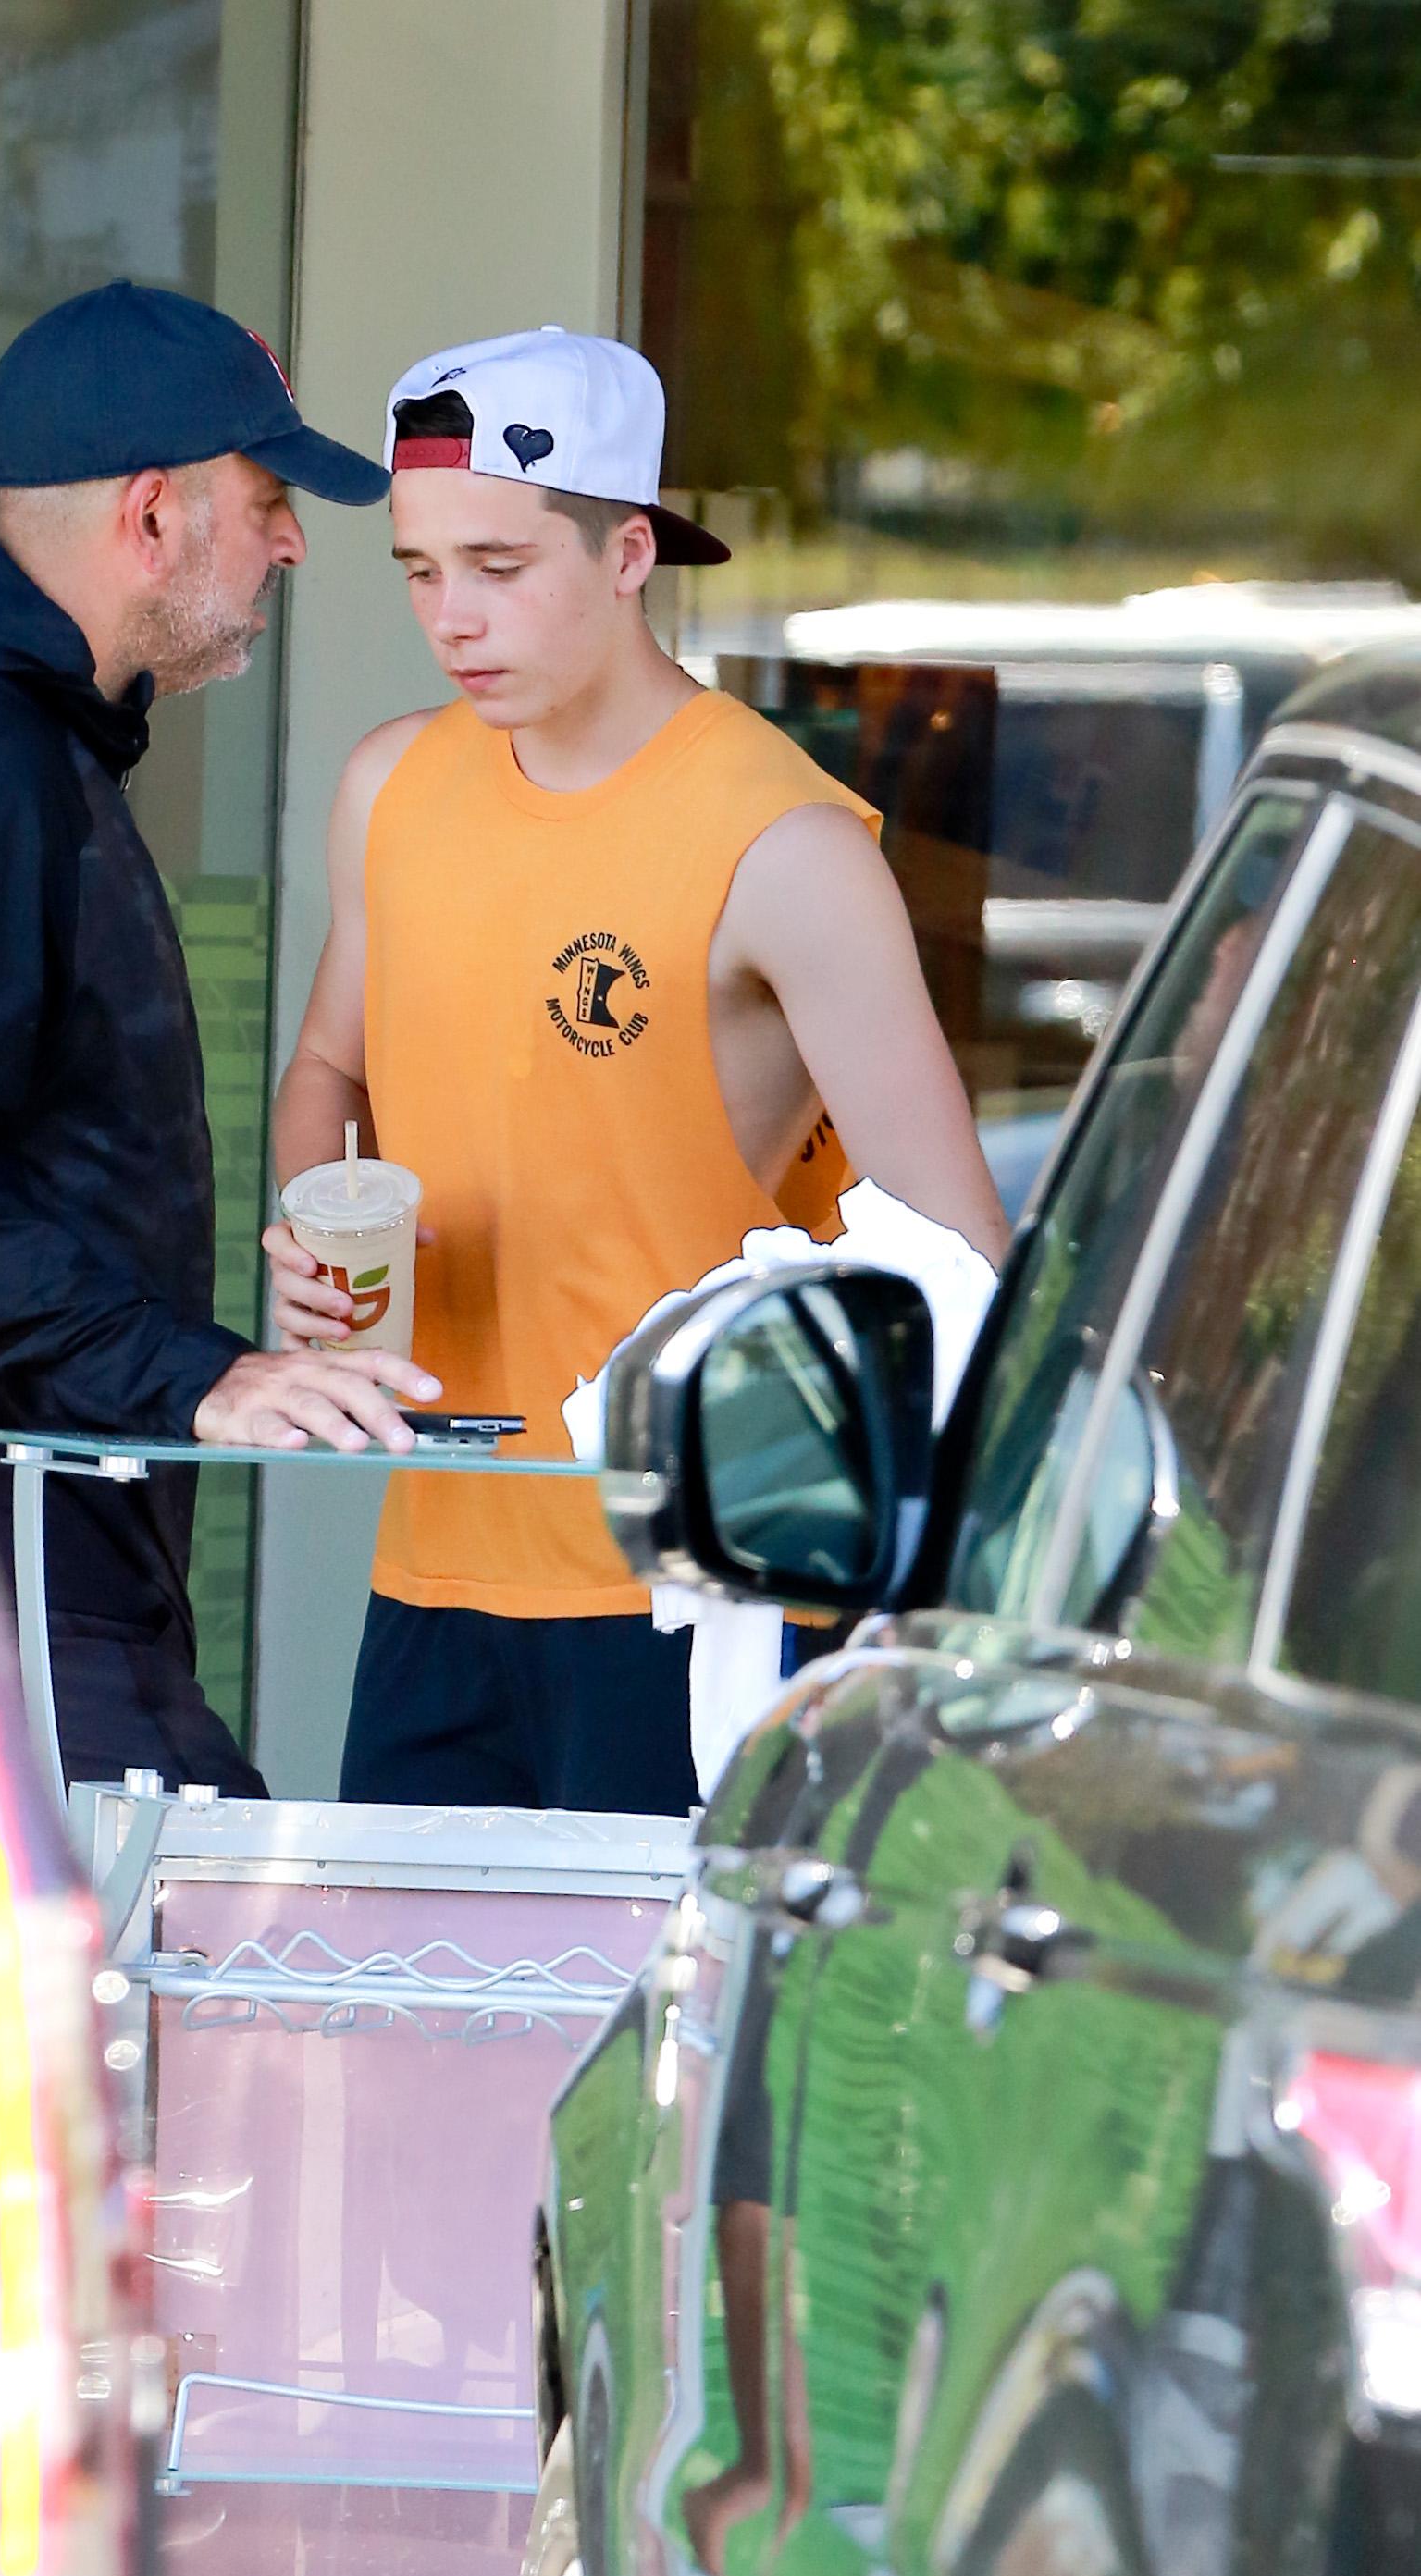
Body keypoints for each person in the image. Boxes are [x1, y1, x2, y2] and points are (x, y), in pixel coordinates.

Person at [266, 326, 1007, 1814]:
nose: (452, 619)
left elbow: (960, 1257)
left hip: (704, 1596)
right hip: (438, 1565)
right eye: (419, 572)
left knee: (661, 2048)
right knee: (419, 2039)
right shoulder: (388, 786)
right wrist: (305, 1244)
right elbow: (327, 1067)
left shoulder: (782, 844)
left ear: (625, 554)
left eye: (499, 564)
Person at [0, 283, 439, 1794]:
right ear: (152, 514)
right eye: (267, 503)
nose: (294, 545)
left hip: (11, 1552)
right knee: (207, 1979)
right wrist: (195, 1375)